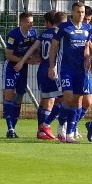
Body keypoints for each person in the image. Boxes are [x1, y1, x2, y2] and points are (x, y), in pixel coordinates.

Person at [48, 2, 92, 143]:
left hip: (81, 70)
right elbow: (54, 47)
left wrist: (89, 59)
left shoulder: (89, 29)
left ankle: (69, 134)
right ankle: (62, 123)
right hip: (66, 69)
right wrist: (52, 66)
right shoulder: (63, 27)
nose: (81, 15)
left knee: (78, 101)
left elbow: (91, 48)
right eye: (78, 12)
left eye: (82, 12)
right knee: (67, 98)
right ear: (72, 13)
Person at [15, 10, 63, 141]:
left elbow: (32, 49)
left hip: (42, 70)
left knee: (44, 102)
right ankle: (47, 127)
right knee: (61, 101)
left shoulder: (44, 34)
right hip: (54, 70)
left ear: (48, 22)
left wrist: (22, 61)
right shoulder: (59, 34)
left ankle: (41, 131)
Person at [2, 11, 37, 139]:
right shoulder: (13, 34)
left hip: (23, 68)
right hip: (12, 67)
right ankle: (9, 128)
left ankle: (13, 128)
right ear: (21, 22)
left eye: (32, 22)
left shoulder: (33, 33)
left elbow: (35, 49)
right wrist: (26, 61)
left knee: (20, 97)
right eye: (28, 22)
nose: (30, 24)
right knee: (9, 95)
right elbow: (9, 55)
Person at [73, 5, 92, 140]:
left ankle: (74, 124)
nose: (87, 22)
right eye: (85, 19)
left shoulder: (91, 30)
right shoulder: (74, 29)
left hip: (85, 69)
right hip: (71, 67)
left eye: (89, 19)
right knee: (72, 100)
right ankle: (67, 126)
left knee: (87, 101)